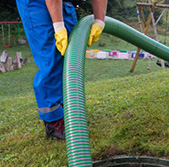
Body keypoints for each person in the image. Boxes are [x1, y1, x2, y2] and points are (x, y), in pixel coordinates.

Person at [16, 0, 107, 140]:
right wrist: (58, 26)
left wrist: (100, 21)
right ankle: (53, 121)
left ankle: (67, 111)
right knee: (51, 56)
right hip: (35, 3)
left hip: (65, 2)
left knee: (70, 54)